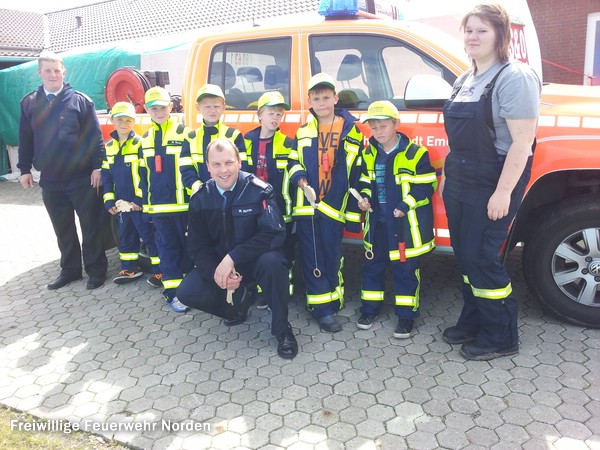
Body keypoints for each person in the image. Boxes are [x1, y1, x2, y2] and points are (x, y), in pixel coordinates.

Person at [441, 4, 541, 360]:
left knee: (483, 257)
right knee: (466, 256)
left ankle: (501, 335)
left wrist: (503, 192)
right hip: (461, 180)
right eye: (468, 30)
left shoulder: (514, 77)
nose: (473, 37)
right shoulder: (463, 79)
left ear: (501, 35)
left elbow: (522, 143)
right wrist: (447, 180)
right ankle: (473, 320)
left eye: (482, 30)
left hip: (493, 180)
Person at [177, 139, 298, 360]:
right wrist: (216, 271)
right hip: (222, 264)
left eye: (229, 163)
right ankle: (238, 304)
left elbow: (274, 233)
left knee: (274, 263)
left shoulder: (259, 191)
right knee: (186, 292)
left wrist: (233, 257)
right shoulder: (200, 198)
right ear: (208, 166)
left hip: (255, 261)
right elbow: (197, 246)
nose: (224, 170)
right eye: (216, 164)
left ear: (239, 162)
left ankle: (282, 330)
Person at [18, 50, 108, 290]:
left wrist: (98, 167)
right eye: (47, 70)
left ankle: (96, 271)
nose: (52, 74)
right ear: (39, 73)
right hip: (50, 179)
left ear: (63, 72)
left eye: (57, 70)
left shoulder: (80, 101)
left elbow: (94, 138)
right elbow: (25, 138)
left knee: (90, 226)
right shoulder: (29, 103)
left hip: (81, 178)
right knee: (63, 228)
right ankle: (70, 271)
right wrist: (24, 168)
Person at [287, 72, 363, 333]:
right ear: (309, 100)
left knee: (333, 255)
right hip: (308, 205)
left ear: (335, 98)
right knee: (313, 256)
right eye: (316, 98)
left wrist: (353, 202)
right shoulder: (304, 131)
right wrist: (299, 178)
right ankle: (321, 309)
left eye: (326, 97)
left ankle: (334, 298)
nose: (321, 102)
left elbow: (356, 169)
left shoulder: (350, 129)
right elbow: (293, 160)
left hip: (334, 204)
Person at [356, 101, 437, 338]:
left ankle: (406, 317)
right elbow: (363, 182)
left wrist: (404, 205)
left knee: (405, 270)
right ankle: (369, 309)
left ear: (396, 124)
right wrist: (363, 199)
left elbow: (426, 186)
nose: (379, 132)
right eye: (374, 128)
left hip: (403, 227)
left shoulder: (416, 154)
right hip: (377, 223)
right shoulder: (368, 152)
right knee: (372, 266)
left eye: (383, 126)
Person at [138, 86, 192, 313]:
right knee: (167, 251)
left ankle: (191, 291)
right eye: (154, 108)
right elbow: (142, 176)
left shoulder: (185, 134)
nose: (159, 112)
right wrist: (146, 208)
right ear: (147, 111)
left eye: (162, 107)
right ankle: (173, 294)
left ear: (171, 107)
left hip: (184, 206)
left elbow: (193, 169)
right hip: (159, 210)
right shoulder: (145, 140)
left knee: (189, 250)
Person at [100, 101, 161, 286]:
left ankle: (160, 271)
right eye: (119, 119)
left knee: (150, 237)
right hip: (121, 204)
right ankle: (129, 268)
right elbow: (107, 176)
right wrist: (109, 200)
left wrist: (139, 199)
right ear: (112, 120)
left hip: (138, 204)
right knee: (126, 236)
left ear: (133, 121)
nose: (123, 123)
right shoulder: (109, 147)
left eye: (128, 120)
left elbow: (146, 175)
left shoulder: (141, 144)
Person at [244, 90, 295, 307]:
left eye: (279, 114)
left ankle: (284, 290)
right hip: (254, 209)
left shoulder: (288, 143)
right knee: (258, 249)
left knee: (284, 251)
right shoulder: (246, 141)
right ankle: (262, 290)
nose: (275, 118)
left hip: (281, 209)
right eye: (271, 113)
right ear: (260, 115)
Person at [179, 83, 246, 194]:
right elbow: (186, 170)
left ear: (224, 107)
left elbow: (242, 168)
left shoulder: (234, 135)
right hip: (201, 198)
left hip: (230, 196)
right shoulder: (190, 138)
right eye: (207, 107)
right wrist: (200, 188)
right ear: (198, 107)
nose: (212, 110)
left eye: (216, 106)